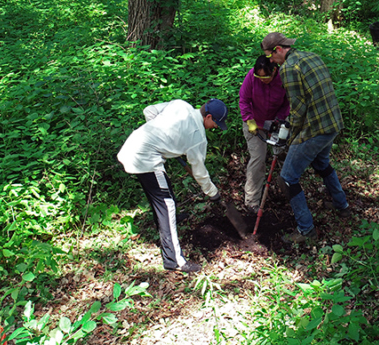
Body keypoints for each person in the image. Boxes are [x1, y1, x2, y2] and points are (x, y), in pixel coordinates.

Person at [117, 98, 228, 273]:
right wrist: (212, 193)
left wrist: (163, 136)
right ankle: (174, 260)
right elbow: (199, 172)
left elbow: (149, 111)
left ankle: (167, 221)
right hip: (145, 157)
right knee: (166, 204)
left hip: (134, 145)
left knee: (163, 191)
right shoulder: (197, 137)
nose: (215, 127)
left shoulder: (181, 105)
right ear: (208, 116)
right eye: (216, 123)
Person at [261, 32, 350, 244]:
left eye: (271, 56)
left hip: (316, 129)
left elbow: (298, 109)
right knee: (321, 163)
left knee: (288, 178)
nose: (271, 61)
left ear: (279, 49)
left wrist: (289, 139)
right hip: (333, 123)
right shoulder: (312, 56)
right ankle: (341, 205)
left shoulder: (289, 69)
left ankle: (306, 230)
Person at [239, 55, 290, 213]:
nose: (262, 80)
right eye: (259, 76)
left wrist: (278, 120)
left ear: (274, 70)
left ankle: (290, 196)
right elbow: (244, 99)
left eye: (266, 76)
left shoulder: (284, 78)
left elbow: (288, 103)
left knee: (283, 157)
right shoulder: (251, 78)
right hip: (255, 123)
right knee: (258, 159)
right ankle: (252, 202)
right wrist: (249, 119)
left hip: (276, 123)